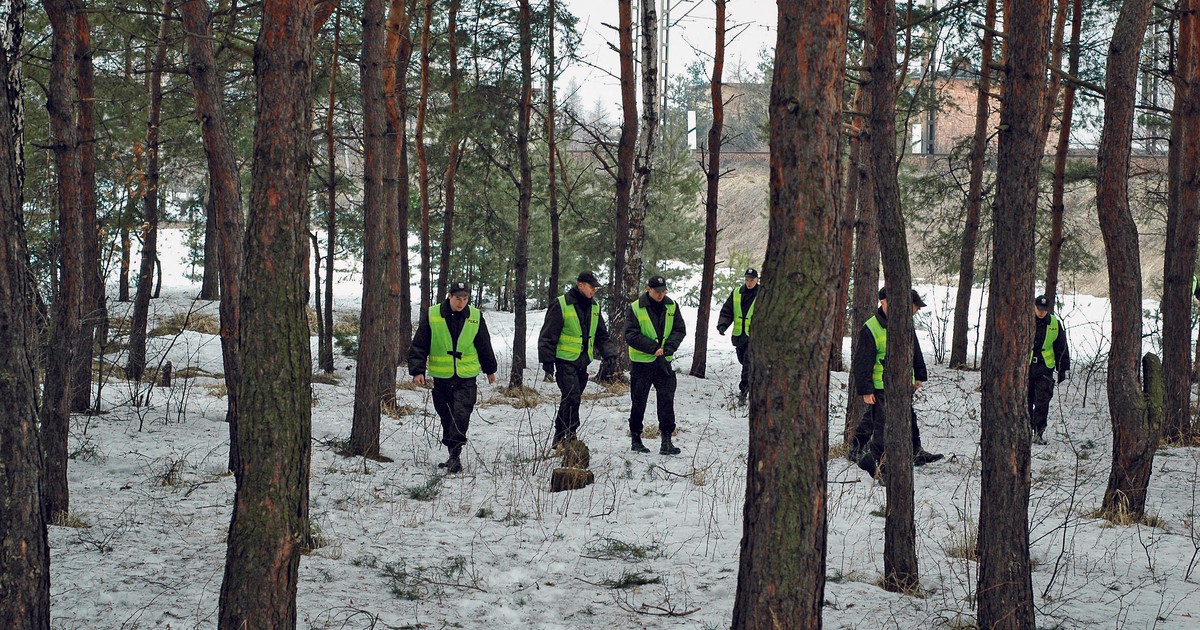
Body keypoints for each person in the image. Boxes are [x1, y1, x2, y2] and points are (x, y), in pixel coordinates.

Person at [850, 286, 944, 478]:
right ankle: (878, 461)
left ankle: (914, 451)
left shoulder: (904, 324)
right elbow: (862, 363)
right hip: (880, 386)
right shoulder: (871, 328)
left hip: (902, 386)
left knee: (906, 417)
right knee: (882, 424)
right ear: (884, 302)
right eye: (911, 308)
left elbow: (915, 351)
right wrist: (867, 390)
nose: (911, 312)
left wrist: (919, 375)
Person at [408, 282, 498, 473]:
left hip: (466, 376)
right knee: (446, 415)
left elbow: (484, 343)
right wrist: (418, 370)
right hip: (442, 376)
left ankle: (455, 455)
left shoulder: (474, 316)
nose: (461, 303)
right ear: (449, 296)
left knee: (461, 414)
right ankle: (452, 453)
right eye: (458, 298)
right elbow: (420, 343)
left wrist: (490, 369)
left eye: (465, 299)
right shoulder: (433, 314)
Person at [538, 271, 617, 448]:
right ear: (580, 285)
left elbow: (601, 335)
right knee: (573, 397)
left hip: (583, 362)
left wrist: (609, 354)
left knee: (569, 399)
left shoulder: (594, 307)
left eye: (595, 288)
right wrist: (547, 362)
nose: (594, 291)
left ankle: (558, 435)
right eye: (591, 287)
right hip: (564, 361)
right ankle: (571, 435)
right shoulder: (562, 304)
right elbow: (548, 335)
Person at [624, 275, 687, 455]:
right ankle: (636, 438)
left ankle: (666, 441)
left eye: (663, 291)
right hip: (642, 363)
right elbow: (631, 334)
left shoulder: (672, 306)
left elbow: (679, 329)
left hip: (664, 362)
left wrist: (668, 348)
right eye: (657, 291)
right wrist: (653, 348)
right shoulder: (636, 308)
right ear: (648, 289)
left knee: (667, 401)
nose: (660, 294)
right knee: (638, 401)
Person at [1029, 294, 1070, 445]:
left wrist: (1062, 369)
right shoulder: (1025, 319)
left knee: (1042, 402)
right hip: (1026, 368)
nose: (1041, 312)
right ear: (1034, 306)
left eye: (1044, 310)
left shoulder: (1054, 323)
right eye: (1039, 309)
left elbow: (1061, 347)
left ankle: (1038, 433)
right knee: (1025, 401)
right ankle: (1025, 430)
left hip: (1044, 368)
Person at [717, 268, 760, 404]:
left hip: (755, 337)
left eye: (751, 280)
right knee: (744, 361)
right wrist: (723, 325)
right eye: (747, 279)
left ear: (757, 280)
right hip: (739, 336)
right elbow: (727, 311)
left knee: (747, 363)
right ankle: (754, 386)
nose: (749, 282)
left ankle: (744, 392)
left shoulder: (762, 294)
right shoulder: (737, 292)